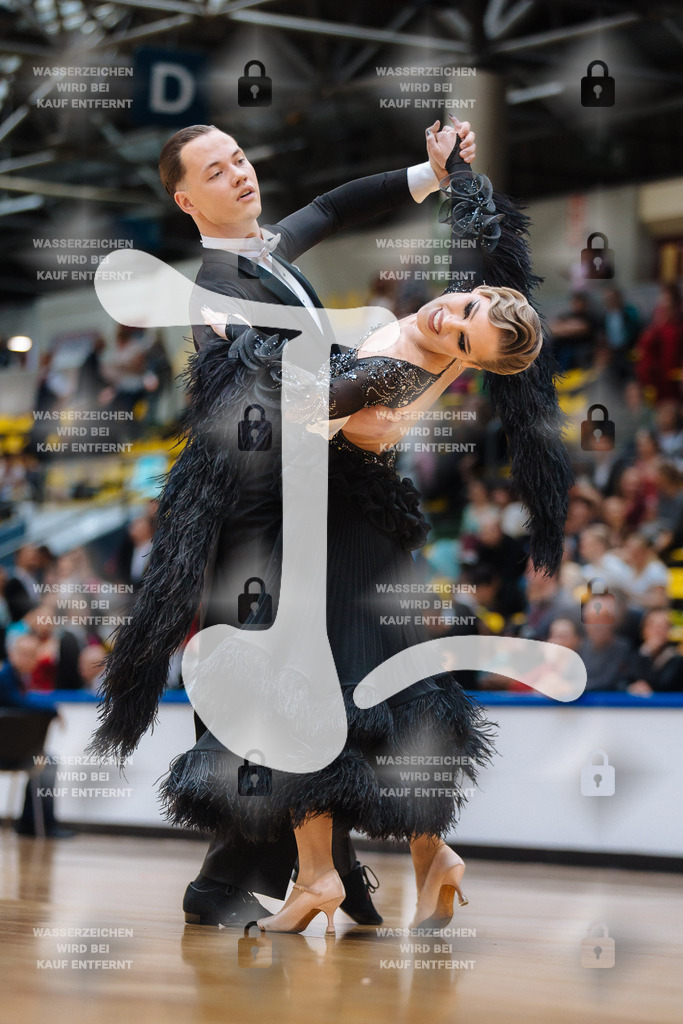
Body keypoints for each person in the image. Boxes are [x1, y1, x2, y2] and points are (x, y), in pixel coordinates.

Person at [90, 125, 572, 933]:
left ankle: (329, 869)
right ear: (185, 198)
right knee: (297, 687)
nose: (238, 173)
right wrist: (365, 387)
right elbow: (266, 408)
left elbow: (336, 205)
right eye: (216, 170)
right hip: (261, 514)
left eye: (240, 158)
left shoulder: (273, 251)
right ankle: (310, 869)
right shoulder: (214, 287)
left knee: (331, 684)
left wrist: (430, 172)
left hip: (322, 496)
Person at [0, 633, 73, 838]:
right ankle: (39, 825)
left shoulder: (18, 679)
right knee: (46, 762)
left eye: (32, 655)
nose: (27, 659)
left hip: (14, 753)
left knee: (47, 762)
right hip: (6, 754)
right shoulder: (4, 678)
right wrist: (53, 709)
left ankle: (32, 823)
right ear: (12, 654)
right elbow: (21, 703)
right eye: (23, 653)